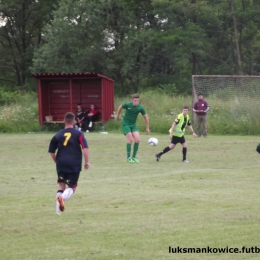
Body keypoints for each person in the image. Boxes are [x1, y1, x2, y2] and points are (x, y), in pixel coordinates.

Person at [48, 112, 90, 215]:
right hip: (74, 163)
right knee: (72, 187)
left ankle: (59, 210)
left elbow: (52, 151)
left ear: (64, 121)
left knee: (61, 186)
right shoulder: (79, 133)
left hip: (61, 163)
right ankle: (62, 199)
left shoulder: (57, 134)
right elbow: (85, 147)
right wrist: (87, 162)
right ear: (74, 121)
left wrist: (57, 162)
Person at [116, 93, 150, 163]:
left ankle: (134, 157)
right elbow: (120, 107)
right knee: (130, 140)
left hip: (133, 125)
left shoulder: (140, 107)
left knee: (137, 140)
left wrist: (147, 127)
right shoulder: (128, 105)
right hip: (126, 124)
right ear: (132, 100)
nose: (136, 102)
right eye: (135, 100)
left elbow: (146, 117)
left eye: (137, 101)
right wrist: (117, 116)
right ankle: (128, 158)